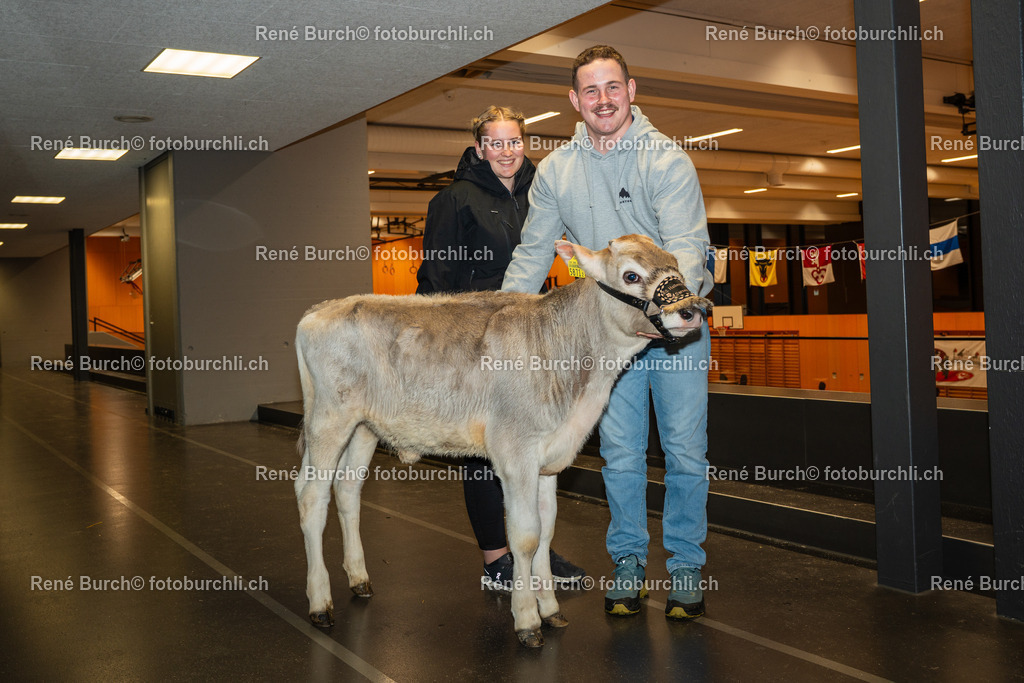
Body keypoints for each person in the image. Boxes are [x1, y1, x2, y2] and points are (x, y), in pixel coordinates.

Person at [500, 46, 712, 620]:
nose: (603, 99)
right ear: (575, 100)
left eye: (612, 87)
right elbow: (533, 251)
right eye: (590, 90)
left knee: (685, 451)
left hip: (674, 333)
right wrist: (501, 318)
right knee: (619, 454)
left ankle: (685, 564)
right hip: (607, 340)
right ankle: (628, 562)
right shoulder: (557, 171)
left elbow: (686, 247)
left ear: (631, 90)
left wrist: (668, 313)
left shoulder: (665, 160)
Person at [416, 105, 586, 592]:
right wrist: (440, 349)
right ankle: (497, 561)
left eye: (514, 141)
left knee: (531, 448)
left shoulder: (542, 193)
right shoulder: (454, 199)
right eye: (495, 142)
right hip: (475, 340)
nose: (506, 151)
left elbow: (567, 254)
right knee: (483, 450)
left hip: (533, 337)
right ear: (479, 147)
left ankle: (534, 549)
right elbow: (435, 279)